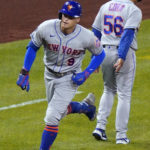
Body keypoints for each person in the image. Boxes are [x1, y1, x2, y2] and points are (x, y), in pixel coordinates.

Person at [16, 1, 105, 149]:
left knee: (52, 117)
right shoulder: (46, 27)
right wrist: (25, 71)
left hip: (70, 78)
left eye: (70, 17)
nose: (65, 19)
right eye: (64, 15)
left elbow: (100, 54)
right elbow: (32, 47)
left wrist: (86, 73)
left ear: (78, 19)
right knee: (59, 112)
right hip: (49, 75)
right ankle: (86, 107)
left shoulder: (86, 36)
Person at [91, 0, 142, 144]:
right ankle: (121, 135)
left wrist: (95, 56)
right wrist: (121, 56)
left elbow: (95, 32)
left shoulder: (106, 5)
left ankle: (100, 127)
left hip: (104, 52)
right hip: (123, 54)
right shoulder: (133, 9)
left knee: (108, 89)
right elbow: (127, 35)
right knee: (124, 94)